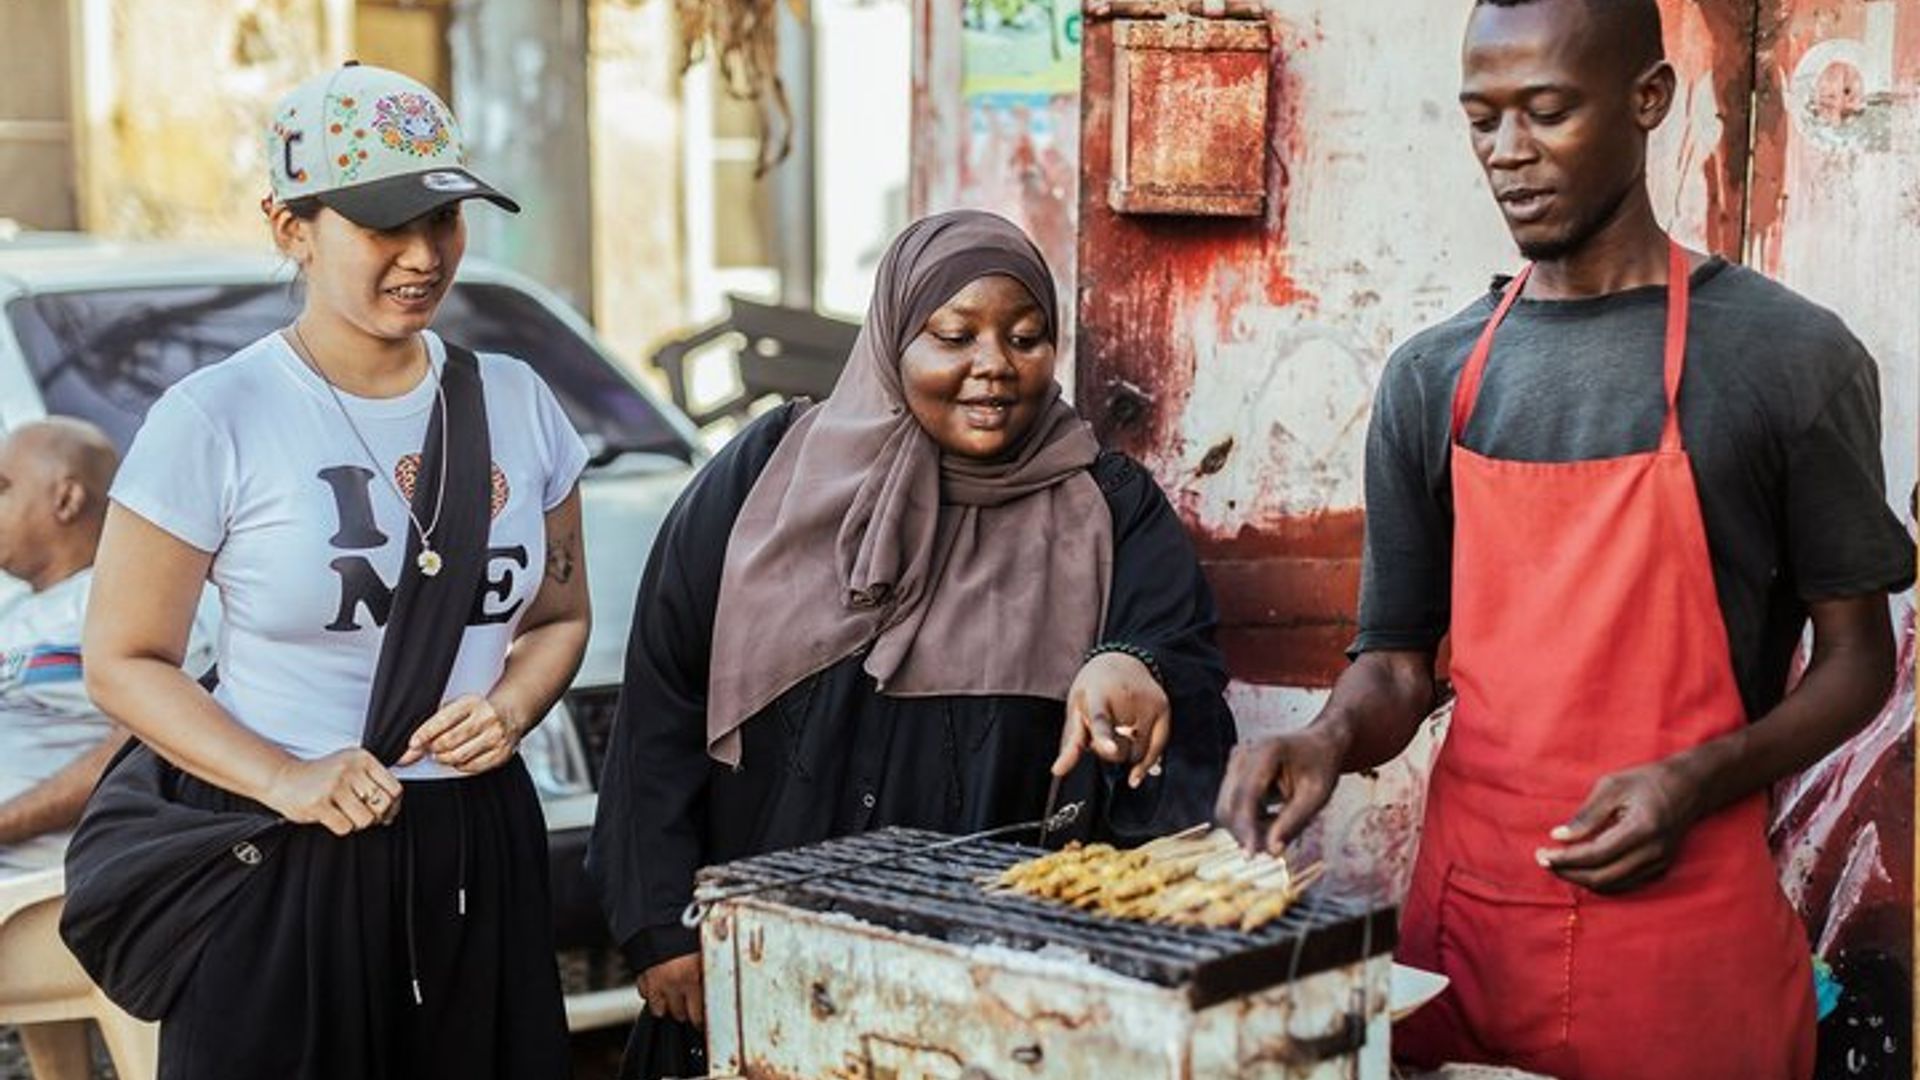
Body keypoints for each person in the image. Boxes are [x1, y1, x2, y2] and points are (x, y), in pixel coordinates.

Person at [1214, 1, 1913, 1077]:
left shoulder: (1791, 360)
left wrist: (1695, 777)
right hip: (1463, 941)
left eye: (1545, 113)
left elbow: (1860, 662)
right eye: (1483, 120)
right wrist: (1326, 739)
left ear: (1647, 102)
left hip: (1682, 950)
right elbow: (1397, 668)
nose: (1507, 154)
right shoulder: (1430, 380)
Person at [588, 209, 1238, 1079]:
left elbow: (1177, 665)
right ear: (895, 337)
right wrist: (662, 925)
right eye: (954, 335)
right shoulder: (768, 474)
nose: (994, 367)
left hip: (986, 995)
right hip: (762, 962)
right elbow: (662, 695)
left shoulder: (1109, 509)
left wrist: (1134, 667)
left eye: (1026, 336)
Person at [81, 62, 589, 1079]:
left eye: (441, 221)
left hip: (475, 849)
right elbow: (124, 661)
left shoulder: (522, 405)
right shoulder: (216, 419)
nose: (420, 256)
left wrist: (515, 706)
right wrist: (286, 776)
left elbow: (559, 616)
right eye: (382, 226)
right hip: (284, 854)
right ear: (289, 228)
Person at [2, 418, 213, 872]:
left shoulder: (139, 594)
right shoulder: (11, 612)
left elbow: (152, 738)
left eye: (2, 487)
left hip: (49, 887)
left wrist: (7, 821)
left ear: (66, 498)